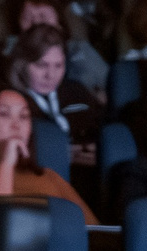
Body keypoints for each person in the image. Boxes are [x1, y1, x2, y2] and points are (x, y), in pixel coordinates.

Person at [0, 85, 96, 220]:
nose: (17, 125)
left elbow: (96, 232)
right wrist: (5, 164)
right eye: (4, 114)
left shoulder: (49, 176)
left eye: (24, 116)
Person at [6, 26, 101, 168]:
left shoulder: (77, 92)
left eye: (58, 65)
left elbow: (105, 135)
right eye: (41, 65)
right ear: (22, 64)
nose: (50, 75)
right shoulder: (9, 101)